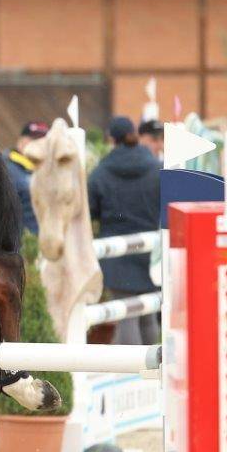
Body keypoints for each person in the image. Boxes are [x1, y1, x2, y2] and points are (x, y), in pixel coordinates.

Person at [88, 116, 161, 345]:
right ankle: (156, 364)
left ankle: (133, 366)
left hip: (117, 254)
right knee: (148, 315)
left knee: (127, 316)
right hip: (149, 249)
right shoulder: (156, 167)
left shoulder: (100, 172)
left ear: (112, 139)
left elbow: (90, 210)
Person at [5, 120, 49, 234]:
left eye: (44, 141)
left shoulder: (47, 170)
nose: (40, 144)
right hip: (22, 240)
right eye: (34, 139)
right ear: (21, 141)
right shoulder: (6, 169)